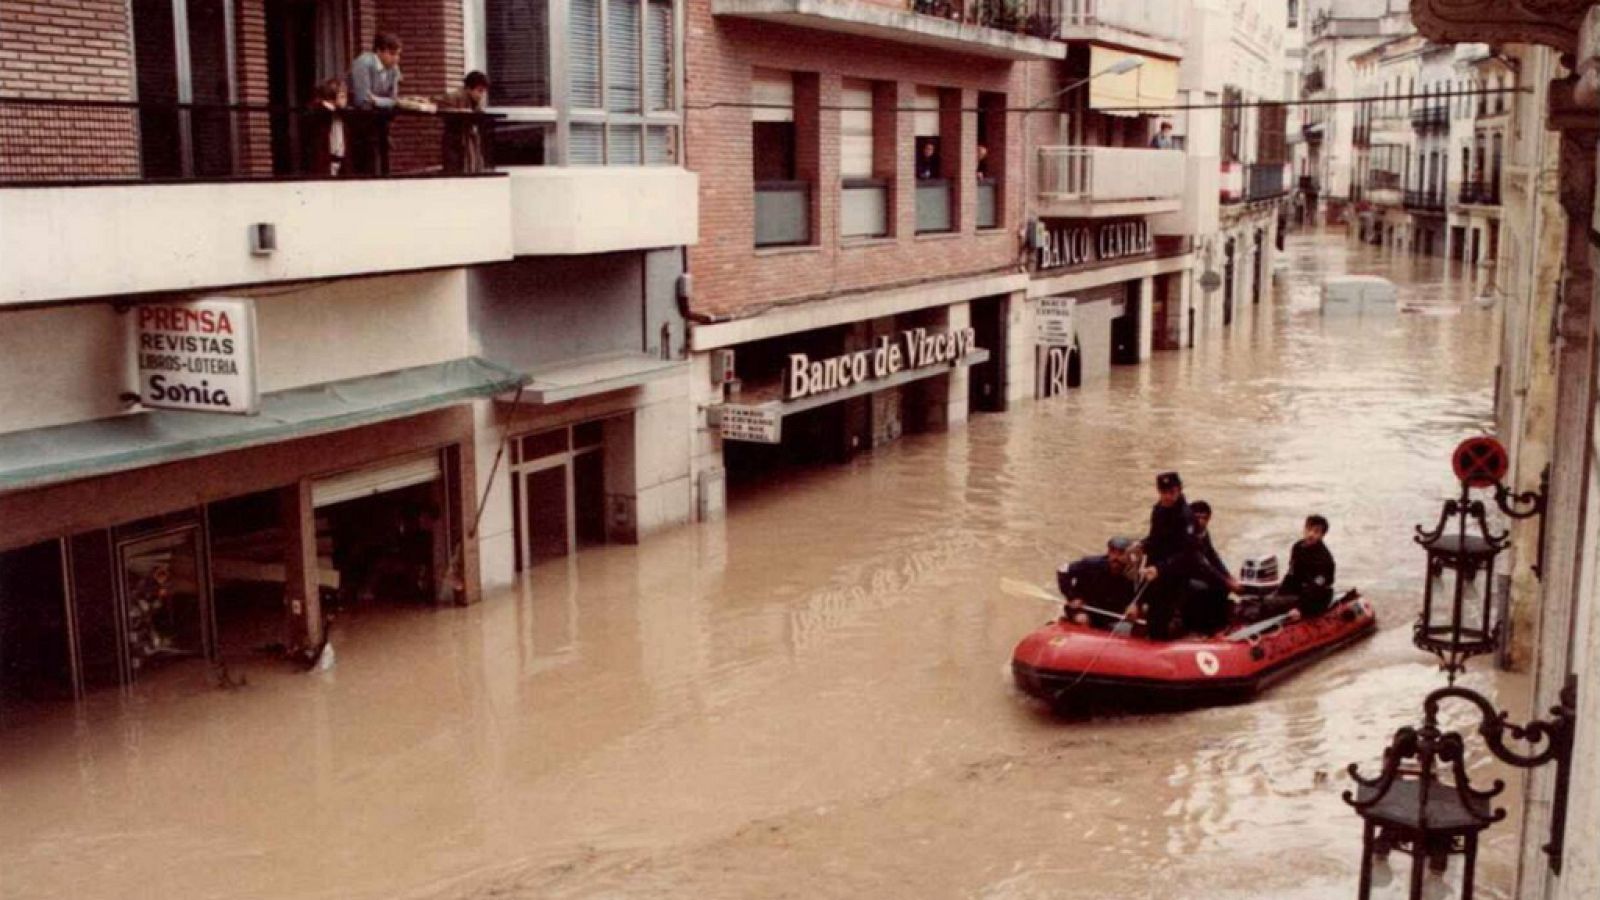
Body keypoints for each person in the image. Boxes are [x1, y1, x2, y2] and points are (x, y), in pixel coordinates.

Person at [1139, 471, 1232, 639]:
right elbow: (1157, 539)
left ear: (1179, 490)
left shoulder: (1185, 517)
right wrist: (1142, 545)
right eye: (1163, 492)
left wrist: (1160, 568)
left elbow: (1187, 553)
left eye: (1171, 492)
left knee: (1162, 614)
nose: (1167, 496)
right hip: (1158, 570)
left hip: (1176, 572)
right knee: (1153, 615)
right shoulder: (1158, 510)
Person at [348, 33, 403, 175]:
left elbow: (395, 99)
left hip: (381, 121)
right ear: (379, 51)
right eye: (392, 54)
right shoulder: (363, 64)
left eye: (398, 54)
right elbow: (362, 100)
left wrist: (378, 101)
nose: (396, 59)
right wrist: (387, 102)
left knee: (383, 161)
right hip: (360, 121)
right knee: (366, 164)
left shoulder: (394, 69)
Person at [1057, 537, 1141, 627]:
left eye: (1121, 553)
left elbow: (1142, 594)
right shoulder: (1091, 564)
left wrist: (1135, 605)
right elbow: (1062, 570)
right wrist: (1072, 597)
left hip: (1113, 614)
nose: (1116, 558)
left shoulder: (1135, 572)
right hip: (1085, 608)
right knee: (1082, 619)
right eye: (1112, 552)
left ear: (1129, 555)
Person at [1185, 500, 1241, 634]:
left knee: (1221, 587)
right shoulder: (1186, 535)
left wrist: (1228, 576)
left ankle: (1218, 623)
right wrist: (1226, 581)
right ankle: (1200, 629)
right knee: (1205, 589)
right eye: (1197, 517)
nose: (1200, 521)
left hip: (1195, 572)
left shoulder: (1203, 533)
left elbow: (1212, 556)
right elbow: (1201, 563)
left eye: (1203, 518)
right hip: (1180, 575)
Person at [1280, 514, 1336, 617]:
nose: (1311, 534)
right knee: (1272, 601)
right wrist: (1280, 593)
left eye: (1316, 532)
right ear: (1304, 529)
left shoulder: (1324, 560)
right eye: (1308, 529)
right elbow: (1291, 574)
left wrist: (1300, 608)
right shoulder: (1297, 547)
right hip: (1299, 589)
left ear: (1322, 535)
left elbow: (1316, 587)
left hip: (1319, 596)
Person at [438, 70, 490, 174]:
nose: (481, 95)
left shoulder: (477, 101)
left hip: (470, 140)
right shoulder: (453, 97)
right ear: (469, 88)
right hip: (455, 140)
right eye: (479, 91)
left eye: (483, 92)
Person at [306, 78, 347, 176]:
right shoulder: (321, 111)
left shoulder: (343, 114)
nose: (346, 100)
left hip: (340, 161)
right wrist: (331, 105)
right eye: (342, 96)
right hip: (325, 163)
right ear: (332, 97)